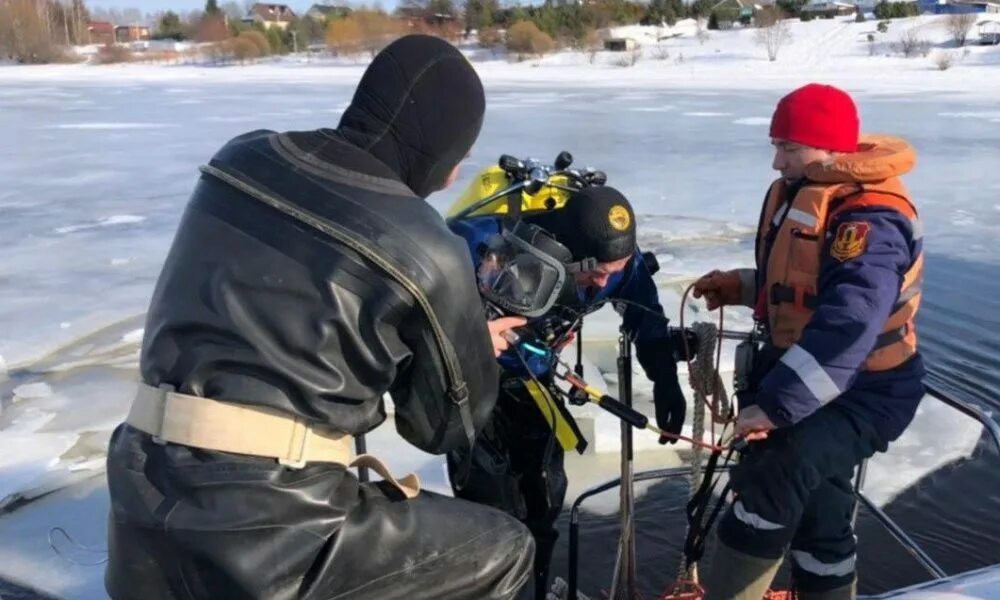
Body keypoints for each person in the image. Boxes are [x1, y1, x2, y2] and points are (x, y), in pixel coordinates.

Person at [104, 35, 535, 600]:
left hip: (138, 505)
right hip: (272, 541)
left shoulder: (240, 157)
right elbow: (441, 430)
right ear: (449, 160)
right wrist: (467, 347)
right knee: (505, 549)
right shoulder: (428, 247)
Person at [695, 83, 925, 600]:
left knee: (775, 474)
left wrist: (776, 407)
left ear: (830, 147)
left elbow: (852, 321)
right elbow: (807, 285)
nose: (777, 162)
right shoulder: (807, 189)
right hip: (817, 377)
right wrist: (743, 284)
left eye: (789, 148)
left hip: (869, 391)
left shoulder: (871, 220)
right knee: (821, 508)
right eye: (776, 145)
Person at [447, 185, 688, 598]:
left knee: (543, 497)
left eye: (616, 270)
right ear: (564, 251)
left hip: (532, 384)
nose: (604, 281)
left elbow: (645, 319)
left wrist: (665, 382)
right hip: (470, 384)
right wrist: (465, 338)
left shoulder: (617, 267)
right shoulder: (479, 244)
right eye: (596, 272)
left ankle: (533, 588)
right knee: (489, 509)